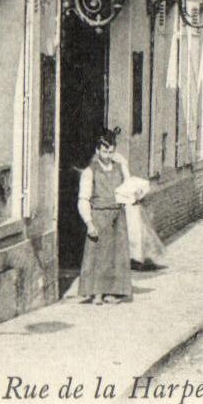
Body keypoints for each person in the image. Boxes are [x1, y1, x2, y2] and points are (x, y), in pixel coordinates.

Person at [76, 130, 132, 305]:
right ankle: (96, 293)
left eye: (111, 151)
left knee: (117, 254)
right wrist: (89, 222)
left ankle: (112, 292)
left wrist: (124, 165)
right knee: (98, 255)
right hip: (99, 215)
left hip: (118, 215)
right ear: (97, 151)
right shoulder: (90, 171)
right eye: (105, 151)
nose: (108, 155)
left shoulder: (119, 168)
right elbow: (83, 199)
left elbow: (128, 188)